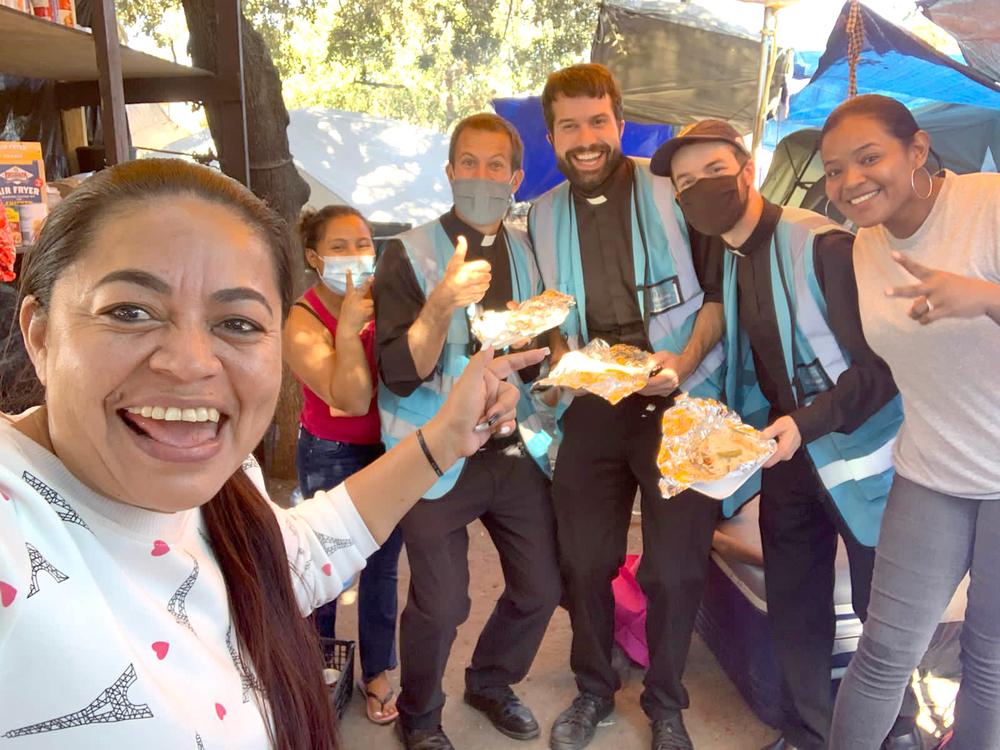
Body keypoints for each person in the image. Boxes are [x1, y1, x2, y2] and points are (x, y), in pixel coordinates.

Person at [0, 157, 542, 750]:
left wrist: (444, 438)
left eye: (236, 321)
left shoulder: (231, 488)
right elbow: (349, 391)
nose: (190, 362)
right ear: (40, 334)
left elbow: (293, 559)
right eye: (131, 312)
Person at [650, 118, 922, 750]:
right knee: (796, 603)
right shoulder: (727, 253)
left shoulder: (822, 246)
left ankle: (896, 731)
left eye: (714, 172)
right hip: (787, 453)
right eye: (685, 183)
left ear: (748, 170)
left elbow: (881, 369)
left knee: (879, 607)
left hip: (859, 455)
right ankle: (808, 730)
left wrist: (806, 423)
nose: (699, 191)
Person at [528, 63, 727, 750]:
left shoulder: (674, 189)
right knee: (584, 558)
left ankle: (667, 702)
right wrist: (560, 357)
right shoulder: (543, 214)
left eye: (598, 121)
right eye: (570, 125)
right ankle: (592, 690)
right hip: (595, 399)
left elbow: (722, 291)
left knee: (675, 566)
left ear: (619, 120)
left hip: (683, 395)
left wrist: (686, 361)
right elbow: (553, 311)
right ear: (552, 134)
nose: (586, 138)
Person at [373, 113, 561, 750]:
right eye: (469, 164)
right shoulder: (409, 252)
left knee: (541, 586)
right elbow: (400, 374)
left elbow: (534, 348)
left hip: (510, 450)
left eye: (495, 166)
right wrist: (441, 302)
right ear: (450, 172)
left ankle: (490, 681)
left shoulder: (526, 253)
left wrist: (530, 387)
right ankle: (420, 718)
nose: (482, 177)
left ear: (516, 177)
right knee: (443, 604)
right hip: (433, 455)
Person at [819, 95, 1000, 750]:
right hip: (932, 473)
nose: (851, 181)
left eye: (870, 158)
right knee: (884, 653)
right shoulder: (865, 247)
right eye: (835, 170)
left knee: (990, 662)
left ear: (917, 151)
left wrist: (982, 296)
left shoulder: (987, 204)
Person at [283, 204, 403, 725]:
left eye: (363, 243)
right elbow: (348, 399)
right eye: (339, 246)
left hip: (389, 451)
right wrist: (350, 330)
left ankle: (377, 672)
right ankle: (316, 669)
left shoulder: (389, 301)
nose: (355, 255)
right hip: (331, 454)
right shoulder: (302, 318)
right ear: (314, 256)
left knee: (381, 568)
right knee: (324, 566)